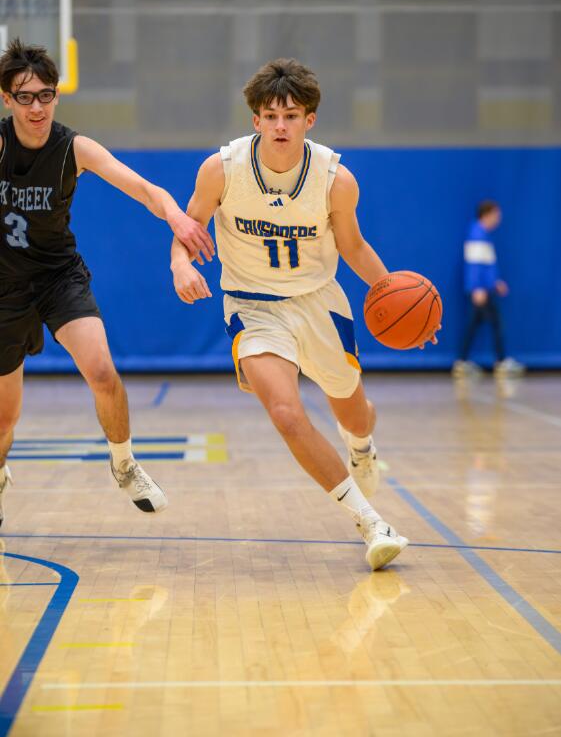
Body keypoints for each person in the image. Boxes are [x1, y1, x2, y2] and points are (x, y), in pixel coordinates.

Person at [170, 58, 439, 571]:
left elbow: (353, 246)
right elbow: (187, 230)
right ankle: (371, 524)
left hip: (318, 302)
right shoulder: (220, 170)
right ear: (255, 119)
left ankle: (361, 445)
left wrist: (400, 302)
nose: (280, 126)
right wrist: (180, 265)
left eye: (291, 116)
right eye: (270, 116)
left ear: (309, 120)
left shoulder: (335, 180)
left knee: (355, 414)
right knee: (286, 414)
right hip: (252, 306)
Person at [0, 39, 215, 527]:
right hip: (4, 288)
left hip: (57, 277)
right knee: (5, 420)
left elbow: (144, 188)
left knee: (101, 371)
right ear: (7, 99)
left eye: (46, 95)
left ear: (56, 96)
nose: (37, 107)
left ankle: (124, 464)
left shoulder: (72, 148)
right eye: (25, 97)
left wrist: (178, 219)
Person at [453, 200, 524, 378]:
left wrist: (495, 282)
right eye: (496, 215)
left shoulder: (482, 233)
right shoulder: (477, 233)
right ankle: (501, 362)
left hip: (486, 288)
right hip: (482, 291)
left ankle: (462, 362)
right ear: (487, 214)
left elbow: (485, 264)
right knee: (496, 323)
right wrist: (477, 288)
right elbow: (474, 264)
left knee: (473, 325)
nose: (498, 219)